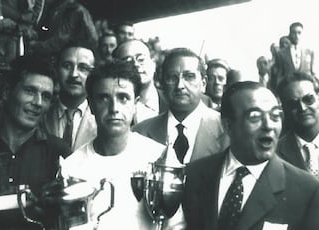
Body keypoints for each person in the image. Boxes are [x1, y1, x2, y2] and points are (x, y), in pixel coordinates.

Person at [183, 81, 319, 230]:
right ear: (228, 126)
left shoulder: (306, 190)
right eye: (255, 117)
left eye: (275, 116)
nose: (269, 126)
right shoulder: (192, 175)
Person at [0, 55, 71, 229]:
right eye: (30, 91)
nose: (38, 103)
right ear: (7, 91)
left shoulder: (59, 153)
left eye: (46, 96)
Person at [60, 60, 165, 230]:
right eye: (103, 98)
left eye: (123, 98)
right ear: (91, 106)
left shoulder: (158, 158)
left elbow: (176, 225)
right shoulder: (71, 168)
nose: (114, 108)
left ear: (135, 104)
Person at [134, 48, 229, 164]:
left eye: (189, 76)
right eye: (172, 78)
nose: (180, 85)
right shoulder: (141, 131)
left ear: (203, 83)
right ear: (162, 83)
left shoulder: (226, 130)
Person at [43, 44, 97, 151]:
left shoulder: (99, 118)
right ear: (57, 69)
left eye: (83, 68)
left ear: (93, 74)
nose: (74, 74)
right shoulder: (42, 113)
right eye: (67, 66)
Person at [277, 72, 319, 179]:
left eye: (308, 99)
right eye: (293, 104)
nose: (303, 108)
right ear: (284, 109)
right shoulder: (275, 153)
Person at [113, 39, 162, 123]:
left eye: (141, 59)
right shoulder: (113, 107)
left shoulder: (172, 103)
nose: (136, 64)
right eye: (128, 61)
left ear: (153, 64)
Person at [29, 0, 98, 56]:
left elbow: (60, 41)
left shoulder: (74, 10)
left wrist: (35, 45)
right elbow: (45, 29)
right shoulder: (57, 7)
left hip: (73, 56)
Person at [273, 22, 315, 90]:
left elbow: (313, 73)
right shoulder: (281, 54)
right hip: (289, 91)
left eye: (299, 33)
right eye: (294, 33)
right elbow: (279, 76)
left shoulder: (309, 52)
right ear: (290, 34)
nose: (296, 35)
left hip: (306, 90)